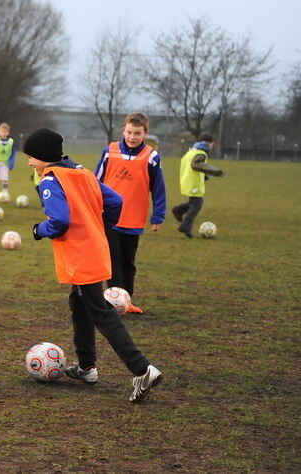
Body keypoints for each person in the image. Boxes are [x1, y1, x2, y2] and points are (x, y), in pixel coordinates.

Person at [26, 128, 162, 403]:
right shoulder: (83, 173)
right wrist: (99, 226)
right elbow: (115, 200)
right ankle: (87, 367)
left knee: (100, 310)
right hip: (96, 248)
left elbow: (60, 221)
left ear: (42, 157)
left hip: (80, 255)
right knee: (80, 304)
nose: (29, 162)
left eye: (31, 157)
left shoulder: (51, 181)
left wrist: (39, 230)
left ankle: (142, 369)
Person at [94, 112, 166, 314]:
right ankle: (113, 301)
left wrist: (158, 215)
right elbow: (95, 182)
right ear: (123, 130)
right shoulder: (110, 151)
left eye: (137, 133)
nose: (132, 137)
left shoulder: (151, 157)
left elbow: (158, 188)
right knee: (113, 258)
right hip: (108, 217)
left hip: (134, 218)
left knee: (128, 261)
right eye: (129, 132)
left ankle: (127, 301)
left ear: (145, 133)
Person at [173, 133, 223, 238]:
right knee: (197, 204)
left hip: (187, 181)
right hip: (194, 183)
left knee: (193, 203)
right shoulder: (201, 153)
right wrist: (215, 171)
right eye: (212, 144)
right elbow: (196, 165)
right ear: (208, 143)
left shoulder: (191, 151)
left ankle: (178, 210)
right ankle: (185, 226)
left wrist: (204, 176)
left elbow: (192, 166)